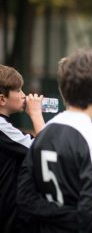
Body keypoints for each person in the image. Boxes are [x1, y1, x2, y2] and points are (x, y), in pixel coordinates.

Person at [16, 50, 92, 232]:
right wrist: (72, 216)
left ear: (63, 90)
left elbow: (24, 198)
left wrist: (59, 215)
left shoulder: (44, 135)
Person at [0, 64, 45, 233]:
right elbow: (45, 149)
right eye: (18, 91)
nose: (24, 96)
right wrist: (36, 114)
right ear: (2, 99)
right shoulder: (2, 129)